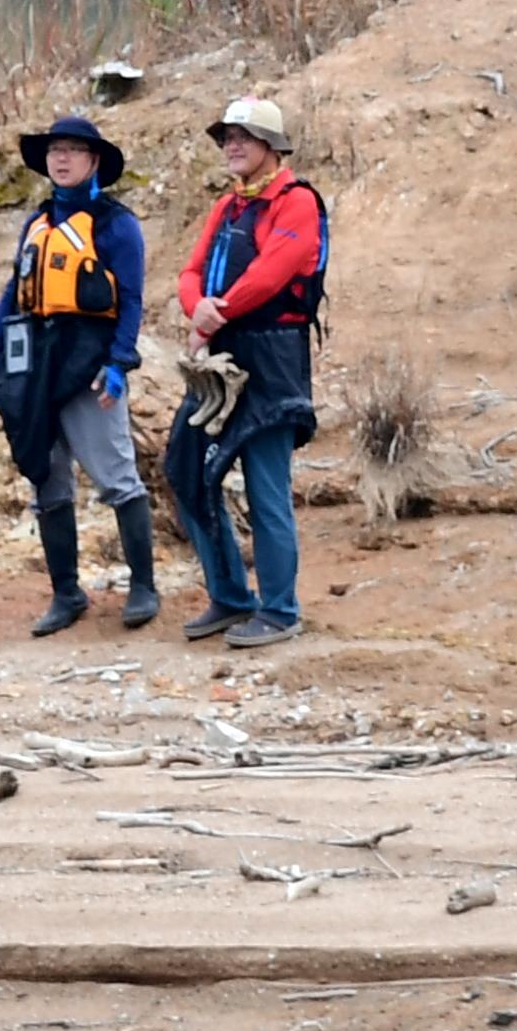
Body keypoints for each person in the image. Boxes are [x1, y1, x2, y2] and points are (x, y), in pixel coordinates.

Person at [0, 113, 160, 636]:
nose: (61, 158)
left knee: (117, 477)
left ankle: (143, 587)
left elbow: (129, 300)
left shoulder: (115, 225)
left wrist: (121, 362)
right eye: (55, 150)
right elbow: (14, 297)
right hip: (36, 364)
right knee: (47, 478)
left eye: (73, 151)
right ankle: (67, 593)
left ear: (94, 161)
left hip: (88, 363)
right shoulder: (37, 224)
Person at [168, 97, 326, 649]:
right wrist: (200, 309)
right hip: (220, 359)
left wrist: (217, 311)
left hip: (272, 360)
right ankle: (231, 596)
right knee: (185, 469)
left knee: (266, 488)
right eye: (227, 136)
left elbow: (275, 270)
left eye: (244, 136)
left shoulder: (297, 202)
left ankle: (280, 610)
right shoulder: (228, 206)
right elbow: (190, 272)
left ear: (271, 146)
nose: (232, 144)